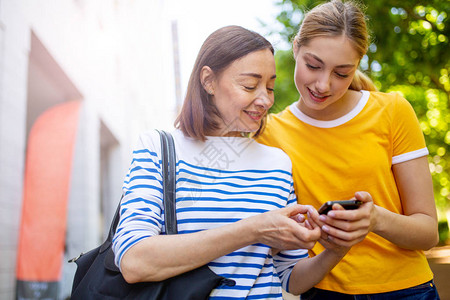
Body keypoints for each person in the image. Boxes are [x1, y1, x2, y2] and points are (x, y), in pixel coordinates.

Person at [112, 25, 350, 299]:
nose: (265, 99)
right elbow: (134, 262)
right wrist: (254, 230)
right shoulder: (158, 148)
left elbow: (290, 278)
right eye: (250, 85)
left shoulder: (277, 162)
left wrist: (336, 250)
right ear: (208, 81)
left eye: (270, 87)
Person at [256, 0, 441, 299]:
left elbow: (427, 233)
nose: (323, 84)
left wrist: (376, 219)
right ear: (295, 48)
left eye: (342, 73)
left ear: (357, 65)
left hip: (407, 290)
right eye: (313, 66)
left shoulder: (392, 111)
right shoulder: (269, 133)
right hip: (324, 291)